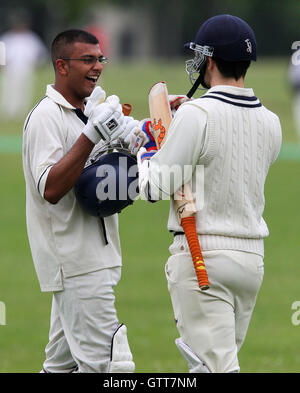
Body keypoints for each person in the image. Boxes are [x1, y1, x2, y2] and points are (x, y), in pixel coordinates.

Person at [136, 15, 282, 373]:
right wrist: (181, 128)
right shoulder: (272, 121)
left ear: (210, 61)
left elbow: (154, 187)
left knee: (213, 370)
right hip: (251, 261)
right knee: (216, 365)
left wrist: (148, 144)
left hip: (203, 256)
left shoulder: (198, 114)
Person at [22, 29, 139, 373]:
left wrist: (147, 129)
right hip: (76, 264)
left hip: (94, 260)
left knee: (59, 368)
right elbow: (51, 188)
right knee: (111, 368)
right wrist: (92, 135)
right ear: (61, 66)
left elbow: (117, 157)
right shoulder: (46, 116)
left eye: (100, 58)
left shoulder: (90, 111)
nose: (97, 66)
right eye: (87, 59)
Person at [0, 11, 48, 119]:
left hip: (26, 68)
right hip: (10, 68)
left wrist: (38, 63)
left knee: (24, 90)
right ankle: (8, 111)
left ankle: (21, 111)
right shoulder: (8, 37)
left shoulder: (31, 38)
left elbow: (40, 53)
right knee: (9, 89)